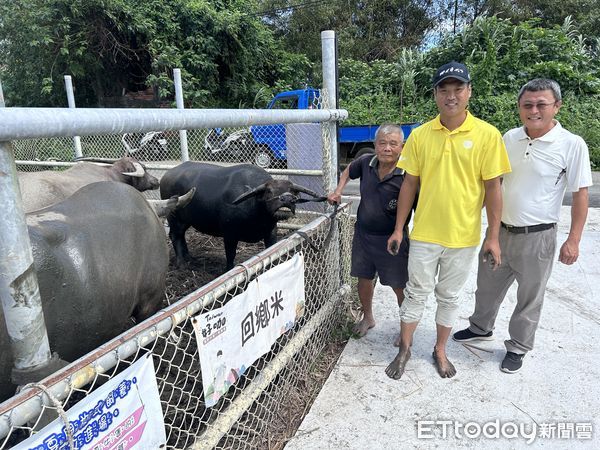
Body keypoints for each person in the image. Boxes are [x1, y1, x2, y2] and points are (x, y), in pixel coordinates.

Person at [453, 79, 593, 373]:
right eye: (527, 105)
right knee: (486, 288)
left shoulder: (572, 144)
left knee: (529, 298)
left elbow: (581, 194)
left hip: (538, 237)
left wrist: (574, 240)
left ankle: (517, 346)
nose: (534, 110)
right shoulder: (509, 138)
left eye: (542, 104)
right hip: (500, 231)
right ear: (519, 107)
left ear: (557, 106)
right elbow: (495, 183)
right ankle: (480, 328)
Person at [384, 61, 512, 380]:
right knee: (416, 292)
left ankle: (440, 349)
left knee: (450, 297)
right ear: (435, 94)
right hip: (426, 233)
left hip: (464, 237)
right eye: (444, 90)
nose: (451, 96)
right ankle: (405, 348)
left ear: (469, 92)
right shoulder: (421, 135)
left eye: (458, 89)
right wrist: (400, 228)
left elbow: (493, 190)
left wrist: (492, 236)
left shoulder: (487, 135)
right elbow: (409, 185)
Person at [328, 124, 412, 346]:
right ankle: (368, 317)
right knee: (363, 278)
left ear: (402, 147)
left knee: (399, 285)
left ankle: (406, 329)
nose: (387, 148)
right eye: (382, 143)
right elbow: (348, 171)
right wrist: (338, 191)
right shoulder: (366, 163)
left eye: (393, 144)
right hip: (363, 234)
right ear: (375, 145)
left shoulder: (408, 175)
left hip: (392, 240)